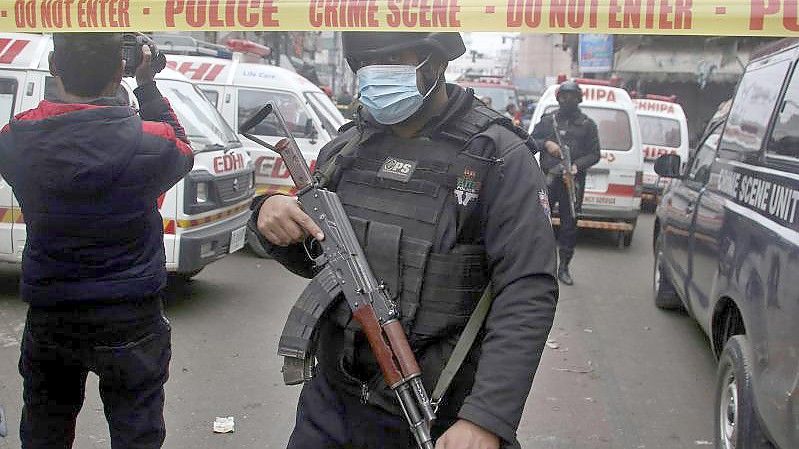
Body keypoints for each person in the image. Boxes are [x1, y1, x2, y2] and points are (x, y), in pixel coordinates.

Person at [251, 32, 558, 449]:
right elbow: (320, 259)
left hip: (438, 415)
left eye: (394, 60)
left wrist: (486, 418)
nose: (377, 75)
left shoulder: (496, 155)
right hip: (330, 406)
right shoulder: (349, 146)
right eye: (366, 65)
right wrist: (270, 214)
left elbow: (527, 289)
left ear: (436, 64)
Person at [0, 33, 194, 449]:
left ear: (54, 64)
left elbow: (37, 126)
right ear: (120, 70)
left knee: (44, 430)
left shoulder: (14, 140)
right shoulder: (152, 142)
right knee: (136, 430)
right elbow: (184, 150)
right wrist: (146, 85)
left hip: (53, 311)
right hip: (131, 314)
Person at [531, 80, 601, 285]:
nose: (567, 100)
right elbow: (529, 141)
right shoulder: (547, 121)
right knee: (540, 222)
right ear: (558, 98)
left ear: (579, 99)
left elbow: (595, 154)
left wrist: (576, 166)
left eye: (572, 97)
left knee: (569, 226)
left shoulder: (588, 125)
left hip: (572, 182)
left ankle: (564, 267)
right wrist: (546, 144)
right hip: (548, 179)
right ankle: (539, 266)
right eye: (563, 96)